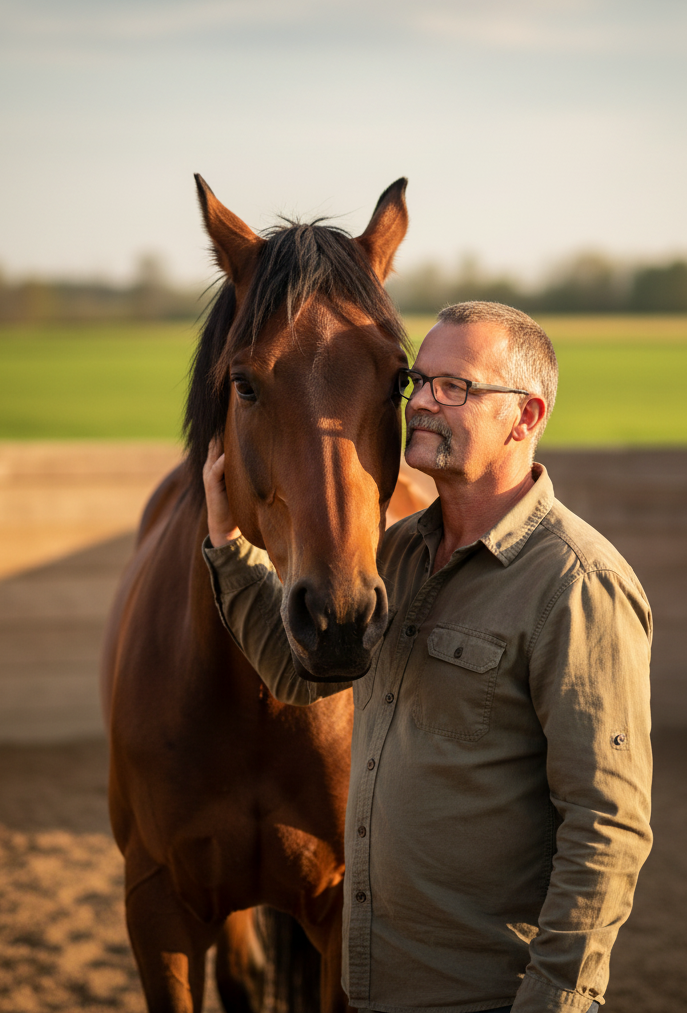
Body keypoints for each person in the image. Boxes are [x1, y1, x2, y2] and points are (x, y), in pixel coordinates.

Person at [202, 301, 653, 1013]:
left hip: (482, 997)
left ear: (526, 417)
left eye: (457, 388)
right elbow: (300, 675)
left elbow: (607, 818)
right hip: (371, 985)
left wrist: (557, 998)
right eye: (420, 381)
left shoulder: (576, 584)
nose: (422, 405)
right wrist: (227, 548)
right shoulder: (399, 555)